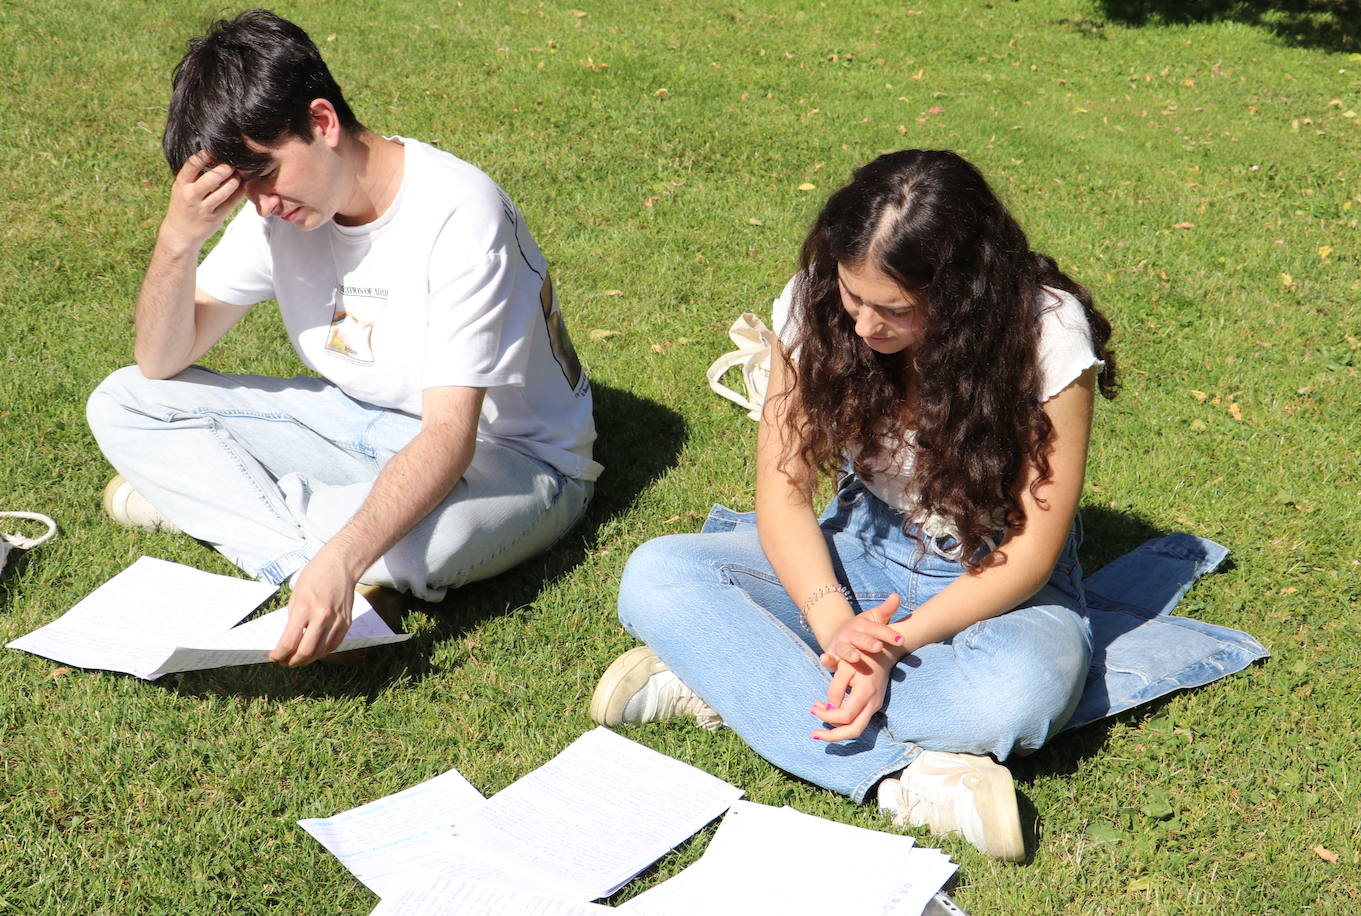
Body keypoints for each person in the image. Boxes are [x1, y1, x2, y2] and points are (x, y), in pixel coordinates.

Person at [590, 149, 1116, 861]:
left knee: (1017, 693)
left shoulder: (1046, 333)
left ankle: (731, 675)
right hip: (859, 546)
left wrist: (889, 645)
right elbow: (781, 492)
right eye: (853, 295)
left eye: (895, 309)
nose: (866, 326)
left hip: (993, 580)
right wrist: (837, 626)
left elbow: (1031, 553)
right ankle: (904, 779)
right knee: (656, 574)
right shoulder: (813, 300)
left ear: (962, 291)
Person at [87, 9, 599, 667]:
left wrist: (347, 551)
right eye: (245, 189)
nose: (263, 204)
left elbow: (449, 436)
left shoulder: (457, 213)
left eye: (266, 175)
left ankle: (232, 506)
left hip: (519, 460)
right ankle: (318, 545)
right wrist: (176, 240)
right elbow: (159, 359)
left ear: (322, 124)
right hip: (368, 427)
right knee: (123, 401)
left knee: (424, 550)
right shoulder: (278, 211)